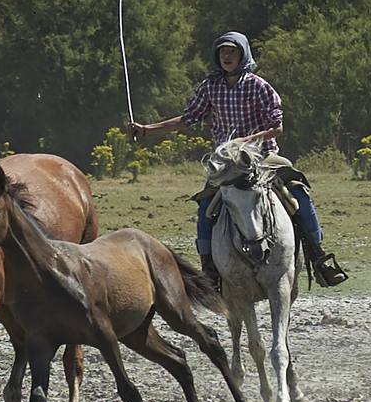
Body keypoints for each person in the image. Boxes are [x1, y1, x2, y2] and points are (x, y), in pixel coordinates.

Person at [130, 30, 348, 288]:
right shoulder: (210, 87)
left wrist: (247, 141)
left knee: (298, 194)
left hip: (264, 158)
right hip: (226, 165)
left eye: (232, 51)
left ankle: (319, 257)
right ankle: (209, 270)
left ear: (243, 54)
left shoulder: (259, 86)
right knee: (205, 209)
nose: (227, 56)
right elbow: (187, 118)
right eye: (223, 51)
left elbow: (277, 127)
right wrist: (147, 130)